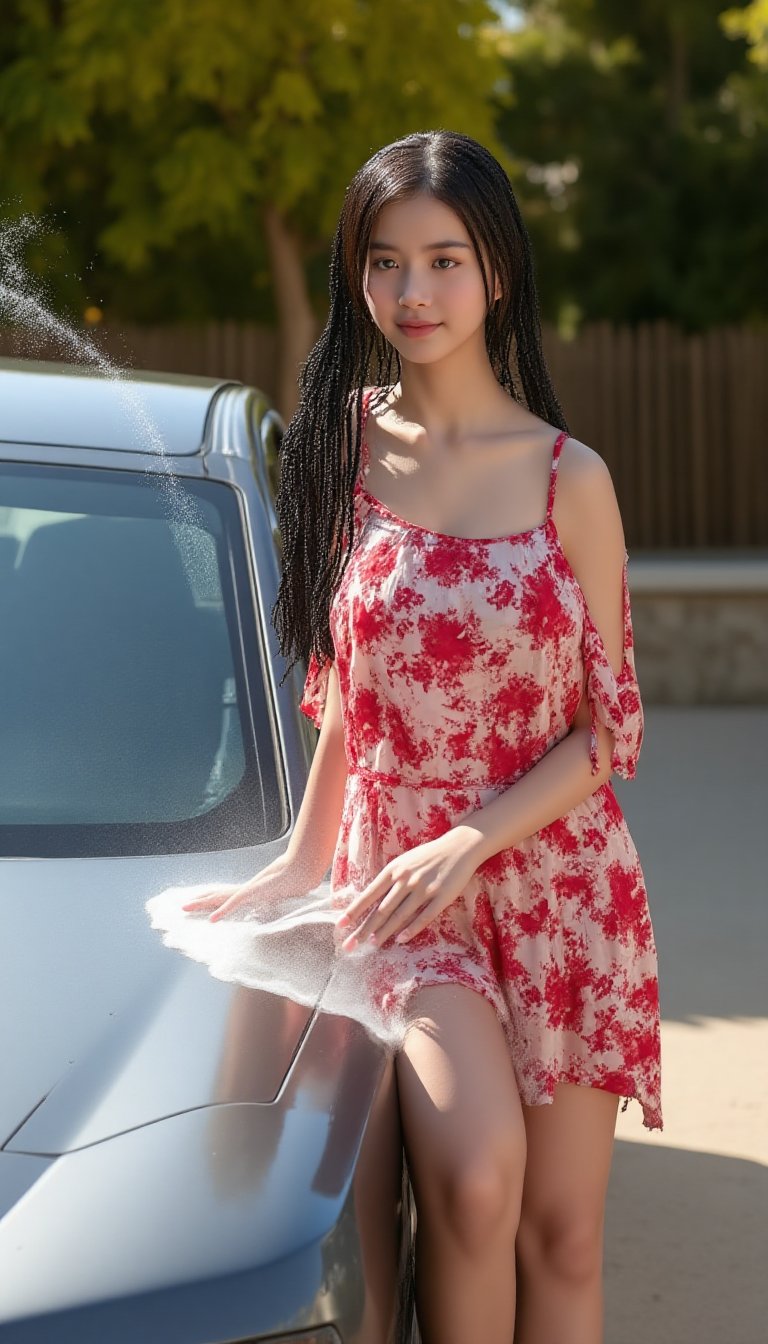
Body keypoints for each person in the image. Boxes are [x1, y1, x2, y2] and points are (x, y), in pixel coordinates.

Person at [180, 131, 663, 1344]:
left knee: (562, 1232)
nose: (412, 293)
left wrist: (476, 837)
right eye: (384, 264)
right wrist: (303, 863)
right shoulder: (344, 454)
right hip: (406, 891)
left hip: (560, 887)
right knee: (475, 1174)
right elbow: (351, 685)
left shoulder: (571, 478)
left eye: (445, 260)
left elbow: (609, 729)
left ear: (497, 270)